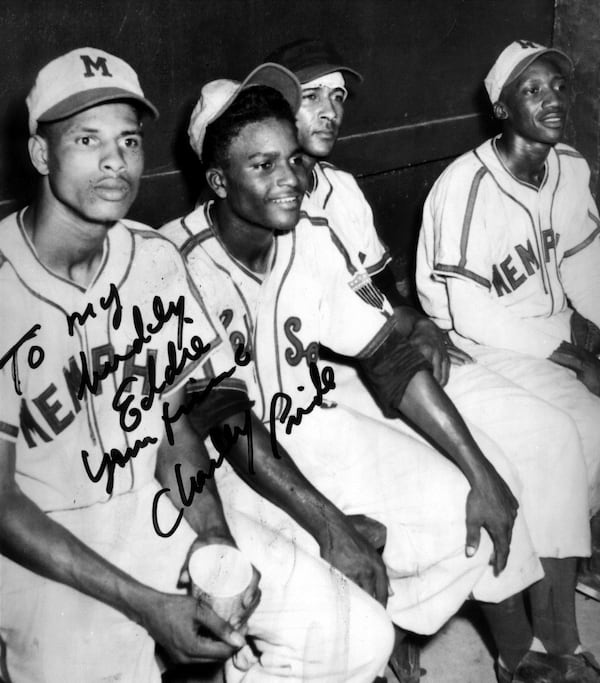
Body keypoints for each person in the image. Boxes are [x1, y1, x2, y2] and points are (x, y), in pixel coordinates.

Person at [159, 66, 597, 683]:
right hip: (227, 464)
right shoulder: (174, 259)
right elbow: (224, 420)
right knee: (336, 592)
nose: (289, 179)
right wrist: (331, 525)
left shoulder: (310, 233)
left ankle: (511, 659)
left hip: (310, 424)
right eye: (263, 166)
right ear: (217, 180)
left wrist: (482, 471)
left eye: (290, 159)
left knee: (467, 503)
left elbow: (387, 357)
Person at [0, 48, 395, 683]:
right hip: (43, 550)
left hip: (153, 510)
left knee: (359, 638)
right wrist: (149, 605)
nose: (114, 161)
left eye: (128, 140)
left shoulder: (154, 258)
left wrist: (213, 535)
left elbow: (178, 424)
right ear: (42, 154)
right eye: (85, 139)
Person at [416, 39, 600, 608]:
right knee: (580, 431)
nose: (553, 100)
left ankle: (572, 558)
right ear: (502, 108)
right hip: (480, 339)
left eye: (558, 87)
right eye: (533, 89)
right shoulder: (465, 185)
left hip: (550, 324)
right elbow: (472, 312)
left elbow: (584, 265)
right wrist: (576, 357)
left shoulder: (568, 165)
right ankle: (554, 602)